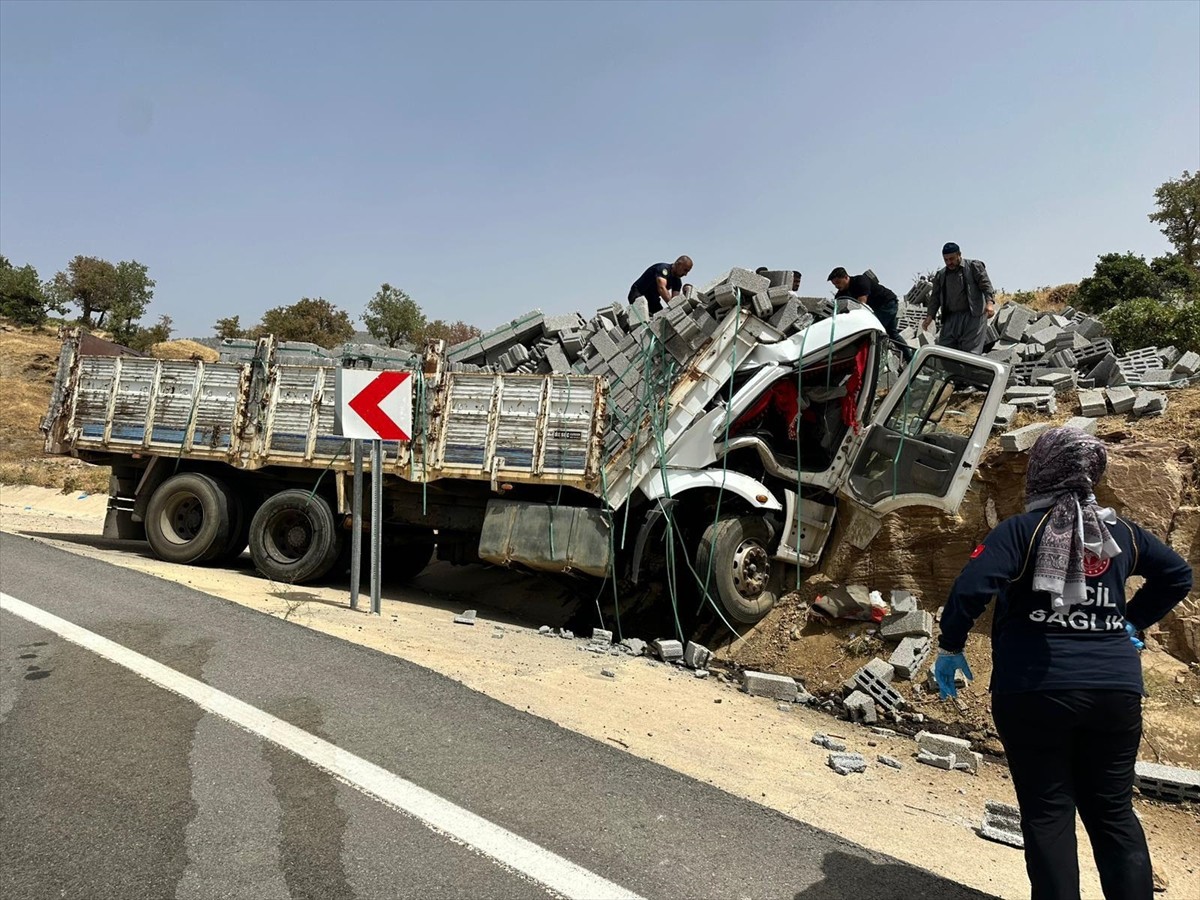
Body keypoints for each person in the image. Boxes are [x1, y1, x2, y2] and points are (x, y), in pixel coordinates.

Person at [934, 426, 1192, 900]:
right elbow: (1177, 574)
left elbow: (972, 587)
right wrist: (1131, 622)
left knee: (1048, 812)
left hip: (1035, 690)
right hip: (1115, 691)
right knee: (1112, 812)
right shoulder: (1120, 534)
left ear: (1043, 470)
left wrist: (951, 645)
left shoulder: (1023, 530)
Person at [922, 242, 996, 354]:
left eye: (951, 259)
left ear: (959, 255)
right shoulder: (941, 275)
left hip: (973, 316)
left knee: (971, 353)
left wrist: (989, 303)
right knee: (945, 352)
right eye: (946, 260)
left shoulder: (973, 266)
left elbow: (986, 286)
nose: (949, 262)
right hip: (951, 319)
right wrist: (930, 316)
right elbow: (935, 298)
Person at [826, 267, 912, 362]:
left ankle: (875, 362)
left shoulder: (860, 281)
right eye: (834, 284)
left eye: (838, 283)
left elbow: (861, 305)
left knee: (874, 332)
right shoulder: (840, 295)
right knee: (892, 334)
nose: (836, 286)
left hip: (887, 304)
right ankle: (911, 359)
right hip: (877, 309)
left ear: (846, 277)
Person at [628, 256, 693, 314]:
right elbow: (661, 288)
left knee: (662, 317)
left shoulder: (677, 282)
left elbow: (675, 300)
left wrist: (684, 295)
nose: (685, 274)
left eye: (687, 271)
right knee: (642, 316)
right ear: (678, 264)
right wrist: (673, 306)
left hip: (652, 299)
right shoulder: (663, 269)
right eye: (685, 270)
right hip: (638, 294)